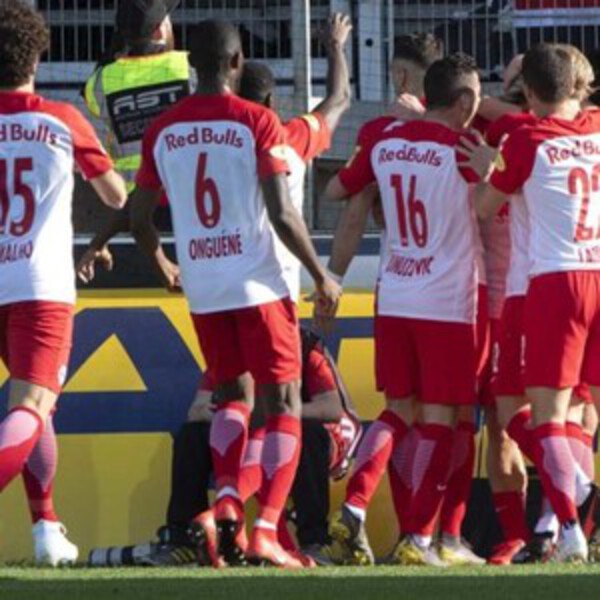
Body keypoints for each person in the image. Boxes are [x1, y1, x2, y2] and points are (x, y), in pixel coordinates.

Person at [130, 20, 341, 567]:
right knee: (283, 403)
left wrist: (162, 261)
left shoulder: (164, 128)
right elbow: (282, 212)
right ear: (236, 62)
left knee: (232, 398)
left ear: (190, 63)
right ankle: (266, 528)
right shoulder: (256, 121)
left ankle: (227, 499)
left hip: (204, 287)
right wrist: (321, 274)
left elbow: (138, 214)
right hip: (257, 282)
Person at [323, 53, 482, 566]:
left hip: (394, 295)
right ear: (463, 102)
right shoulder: (464, 148)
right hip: (447, 302)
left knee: (397, 412)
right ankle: (419, 537)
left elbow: (335, 189)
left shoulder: (384, 141)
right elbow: (500, 193)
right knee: (439, 419)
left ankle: (355, 503)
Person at [0, 1, 127, 566]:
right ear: (37, 57)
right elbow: (116, 196)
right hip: (39, 283)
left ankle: (46, 528)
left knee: (32, 409)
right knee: (33, 403)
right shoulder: (62, 119)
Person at [466, 42, 600, 562]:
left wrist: (490, 168)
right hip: (595, 272)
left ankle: (569, 522)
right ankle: (571, 507)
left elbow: (485, 206)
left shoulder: (524, 140)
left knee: (544, 418)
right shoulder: (594, 126)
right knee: (576, 411)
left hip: (552, 283)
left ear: (528, 90)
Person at [113, 327, 361, 568]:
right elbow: (197, 410)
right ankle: (184, 540)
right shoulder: (228, 349)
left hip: (315, 436)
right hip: (254, 434)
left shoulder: (303, 346)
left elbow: (331, 408)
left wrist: (274, 416)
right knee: (193, 435)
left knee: (302, 432)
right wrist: (238, 418)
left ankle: (313, 541)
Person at [78, 0, 193, 280]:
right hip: (191, 205)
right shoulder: (190, 69)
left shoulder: (99, 83)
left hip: (132, 215)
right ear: (159, 31)